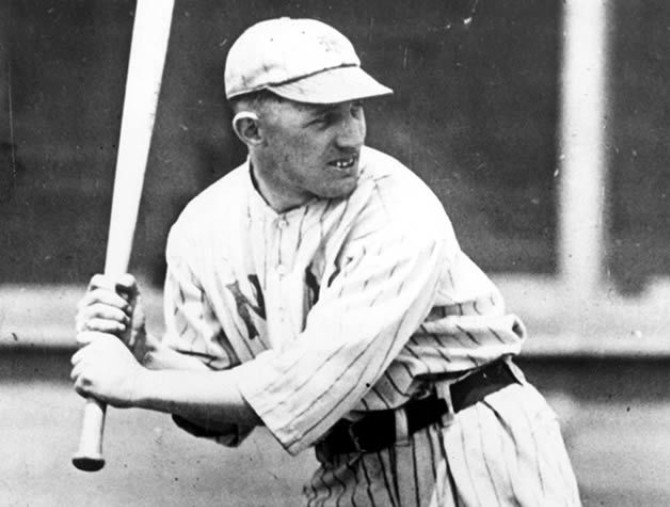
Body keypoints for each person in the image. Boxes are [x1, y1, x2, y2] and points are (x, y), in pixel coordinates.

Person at [72, 17, 581, 506]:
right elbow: (221, 415)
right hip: (350, 464)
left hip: (473, 442)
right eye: (322, 119)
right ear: (251, 131)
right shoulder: (200, 231)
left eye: (354, 109)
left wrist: (138, 385)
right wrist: (145, 353)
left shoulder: (397, 211)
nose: (352, 136)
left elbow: (302, 391)